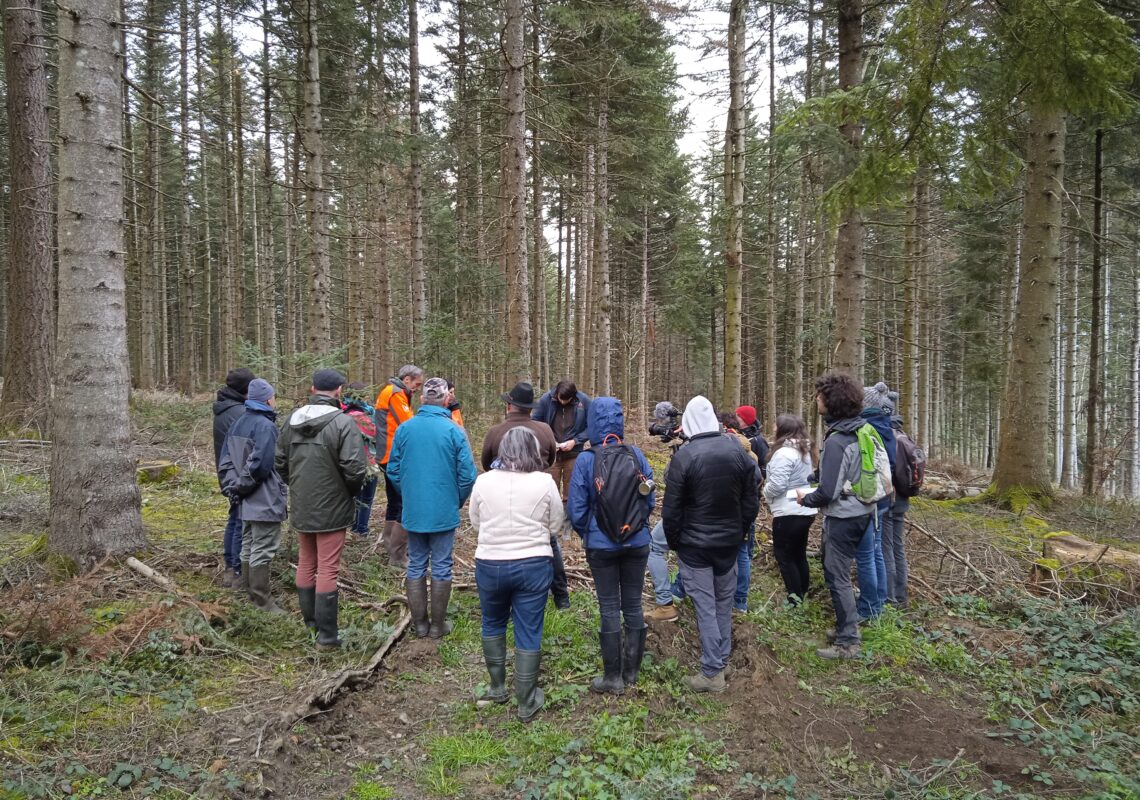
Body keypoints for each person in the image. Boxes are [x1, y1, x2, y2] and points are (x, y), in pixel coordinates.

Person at [663, 396, 761, 692]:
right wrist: (739, 530)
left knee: (706, 605)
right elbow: (751, 499)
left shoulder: (685, 456)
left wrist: (676, 542)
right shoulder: (737, 450)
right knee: (722, 601)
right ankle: (721, 660)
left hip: (696, 546)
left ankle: (711, 672)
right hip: (728, 544)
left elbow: (672, 509)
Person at [469, 427, 563, 722]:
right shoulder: (545, 482)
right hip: (533, 564)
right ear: (534, 450)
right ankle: (526, 700)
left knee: (492, 621)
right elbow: (556, 525)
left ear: (502, 451)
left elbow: (475, 523)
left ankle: (497, 687)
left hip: (490, 562)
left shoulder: (483, 482)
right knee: (529, 628)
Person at [276, 369, 369, 650]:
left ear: (312, 387)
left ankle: (312, 627)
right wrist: (348, 493)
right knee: (328, 567)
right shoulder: (342, 423)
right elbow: (355, 468)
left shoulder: (291, 420)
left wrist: (297, 486)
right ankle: (327, 636)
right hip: (333, 503)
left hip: (303, 502)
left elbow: (279, 462)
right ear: (340, 390)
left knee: (307, 562)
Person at [568, 397, 655, 695]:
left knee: (608, 605)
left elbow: (577, 510)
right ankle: (632, 673)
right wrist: (636, 526)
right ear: (619, 421)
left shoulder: (586, 459)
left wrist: (591, 534)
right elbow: (650, 499)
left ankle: (612, 678)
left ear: (592, 422)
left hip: (601, 545)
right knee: (633, 603)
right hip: (638, 542)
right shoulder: (637, 454)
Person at [387, 378, 478, 639]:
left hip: (415, 510)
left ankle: (421, 625)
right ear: (446, 400)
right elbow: (468, 476)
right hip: (442, 509)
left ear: (423, 399)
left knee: (415, 563)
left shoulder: (406, 429)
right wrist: (455, 500)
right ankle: (437, 626)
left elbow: (393, 470)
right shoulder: (454, 430)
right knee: (441, 565)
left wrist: (410, 495)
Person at [796, 373, 877, 660]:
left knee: (838, 576)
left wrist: (805, 497)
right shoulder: (861, 429)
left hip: (844, 516)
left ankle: (848, 642)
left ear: (832, 402)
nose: (817, 400)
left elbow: (828, 492)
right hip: (863, 511)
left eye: (820, 396)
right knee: (839, 572)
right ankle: (847, 626)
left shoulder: (838, 441)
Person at [481, 381, 571, 609]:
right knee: (551, 543)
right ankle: (561, 597)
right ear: (530, 408)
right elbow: (550, 460)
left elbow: (486, 465)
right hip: (537, 497)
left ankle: (505, 598)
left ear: (510, 406)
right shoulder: (544, 430)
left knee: (503, 543)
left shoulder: (495, 432)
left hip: (501, 499)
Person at [218, 379, 287, 613]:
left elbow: (225, 461)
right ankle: (261, 600)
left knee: (248, 544)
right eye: (273, 396)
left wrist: (233, 487)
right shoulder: (265, 427)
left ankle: (249, 593)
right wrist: (242, 486)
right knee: (263, 546)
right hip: (263, 497)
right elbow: (260, 465)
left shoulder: (237, 423)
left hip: (245, 499)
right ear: (268, 399)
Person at [763, 414, 818, 605]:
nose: (773, 429)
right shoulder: (804, 451)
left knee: (784, 555)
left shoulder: (785, 453)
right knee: (798, 553)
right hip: (804, 509)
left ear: (783, 430)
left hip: (789, 511)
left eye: (775, 426)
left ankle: (794, 599)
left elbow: (777, 484)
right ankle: (802, 593)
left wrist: (765, 493)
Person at [374, 365, 425, 567]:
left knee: (395, 501)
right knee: (404, 501)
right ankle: (397, 554)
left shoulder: (394, 392)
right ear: (407, 379)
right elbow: (408, 423)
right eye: (416, 384)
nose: (418, 389)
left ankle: (391, 544)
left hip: (389, 454)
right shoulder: (395, 393)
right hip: (393, 455)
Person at [856, 382, 896, 621]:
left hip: (874, 497)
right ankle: (878, 600)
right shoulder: (886, 426)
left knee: (867, 553)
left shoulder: (870, 429)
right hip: (884, 496)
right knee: (876, 550)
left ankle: (870, 608)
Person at [213, 367, 254, 588]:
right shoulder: (238, 413)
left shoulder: (226, 408)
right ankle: (237, 570)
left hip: (228, 473)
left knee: (234, 518)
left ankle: (231, 565)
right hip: (238, 475)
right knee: (239, 521)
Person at [719, 411, 760, 614]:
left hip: (732, 512)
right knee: (742, 554)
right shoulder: (747, 449)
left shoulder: (730, 449)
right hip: (744, 511)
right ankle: (740, 602)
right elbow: (758, 479)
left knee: (738, 554)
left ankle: (732, 600)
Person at [532, 379, 591, 501]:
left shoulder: (583, 401)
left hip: (574, 454)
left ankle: (569, 517)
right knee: (548, 493)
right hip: (551, 454)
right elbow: (535, 423)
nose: (563, 402)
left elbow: (591, 425)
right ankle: (551, 519)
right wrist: (549, 440)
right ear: (557, 393)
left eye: (566, 400)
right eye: (560, 398)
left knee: (572, 493)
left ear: (573, 396)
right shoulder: (546, 400)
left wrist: (576, 441)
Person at [342, 383, 381, 537]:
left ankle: (352, 528)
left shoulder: (341, 414)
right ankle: (361, 530)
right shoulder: (362, 417)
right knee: (366, 498)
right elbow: (375, 435)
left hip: (347, 463)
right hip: (367, 463)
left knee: (353, 497)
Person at [883, 390, 911, 607]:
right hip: (902, 497)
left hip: (888, 498)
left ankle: (890, 597)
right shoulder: (903, 435)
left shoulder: (887, 436)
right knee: (897, 547)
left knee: (886, 548)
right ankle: (901, 595)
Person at [735, 405, 771, 469]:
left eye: (738, 416)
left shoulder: (758, 440)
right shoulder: (734, 434)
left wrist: (758, 477)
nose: (735, 418)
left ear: (745, 419)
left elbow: (766, 464)